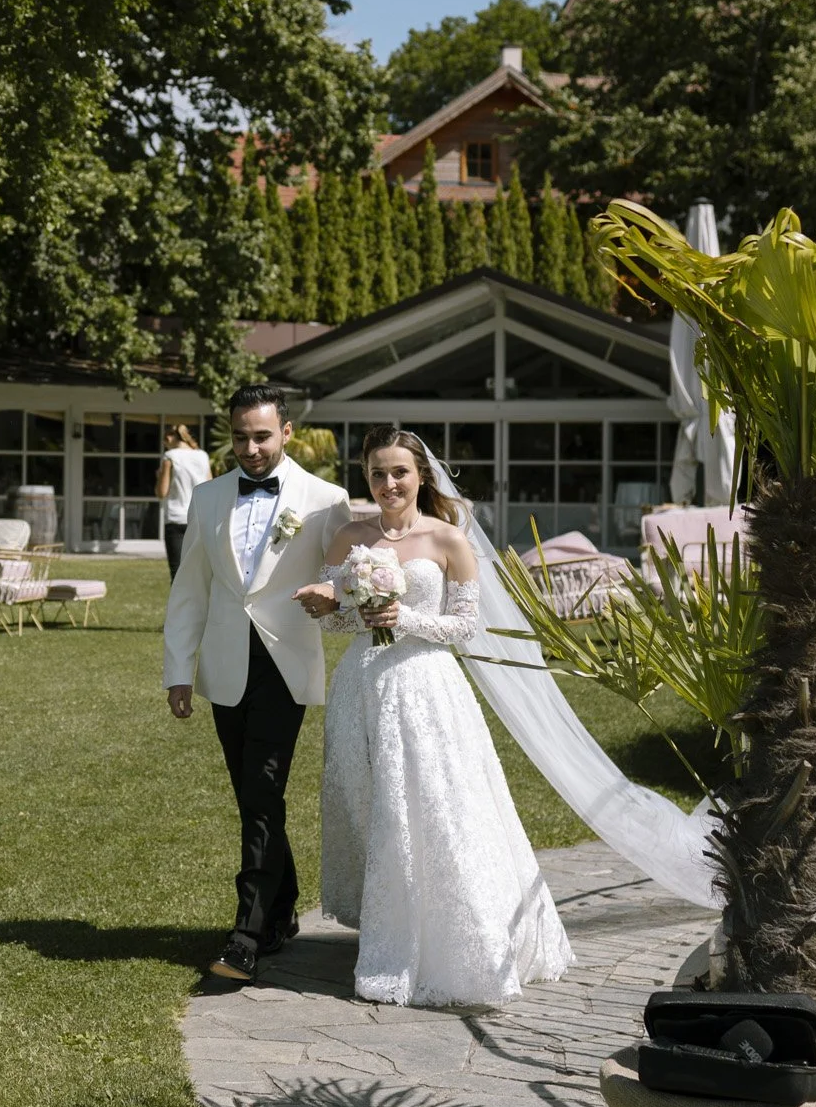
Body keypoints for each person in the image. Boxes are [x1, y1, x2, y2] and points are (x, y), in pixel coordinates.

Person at [294, 426, 572, 1008]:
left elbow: (465, 627)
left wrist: (404, 617)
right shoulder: (349, 536)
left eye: (399, 472)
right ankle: (392, 926)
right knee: (373, 805)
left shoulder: (449, 539)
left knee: (432, 807)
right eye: (377, 472)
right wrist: (332, 606)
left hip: (426, 686)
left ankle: (455, 941)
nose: (388, 483)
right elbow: (340, 624)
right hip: (361, 687)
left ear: (421, 475)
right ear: (365, 476)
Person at [164, 384, 350, 983]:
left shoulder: (326, 500)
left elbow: (343, 580)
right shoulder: (209, 495)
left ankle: (247, 934)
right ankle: (282, 912)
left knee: (263, 792)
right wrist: (179, 670)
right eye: (240, 436)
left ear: (287, 432)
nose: (250, 447)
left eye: (262, 436)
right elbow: (191, 587)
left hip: (285, 663)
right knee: (254, 796)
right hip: (224, 666)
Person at [156, 424, 211, 578]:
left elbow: (161, 492)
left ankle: (178, 603)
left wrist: (159, 477)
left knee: (178, 574)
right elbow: (210, 486)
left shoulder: (170, 456)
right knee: (200, 574)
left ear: (168, 438)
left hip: (176, 519)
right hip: (199, 518)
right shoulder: (202, 456)